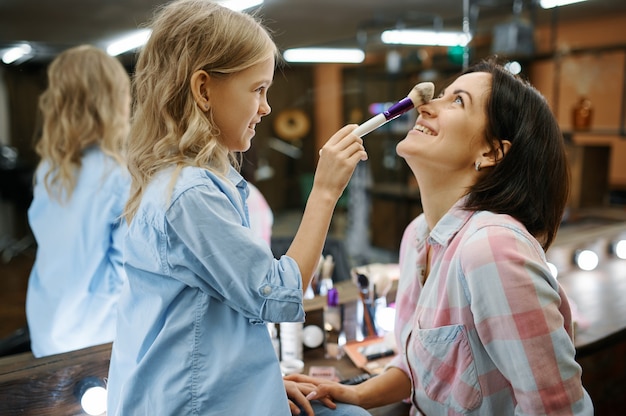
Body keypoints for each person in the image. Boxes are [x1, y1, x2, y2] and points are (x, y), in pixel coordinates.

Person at [288, 57, 594, 415]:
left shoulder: (493, 248)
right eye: (442, 95)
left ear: (491, 152)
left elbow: (558, 409)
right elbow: (417, 367)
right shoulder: (418, 236)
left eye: (457, 101)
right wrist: (354, 394)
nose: (426, 106)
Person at [105, 1, 368, 415]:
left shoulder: (187, 182)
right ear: (204, 89)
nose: (265, 108)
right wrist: (325, 192)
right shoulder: (190, 195)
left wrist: (260, 380)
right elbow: (277, 295)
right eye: (257, 89)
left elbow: (208, 318)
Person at [25, 45, 131, 358]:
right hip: (96, 336)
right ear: (113, 101)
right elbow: (129, 268)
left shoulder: (50, 170)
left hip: (46, 328)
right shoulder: (118, 175)